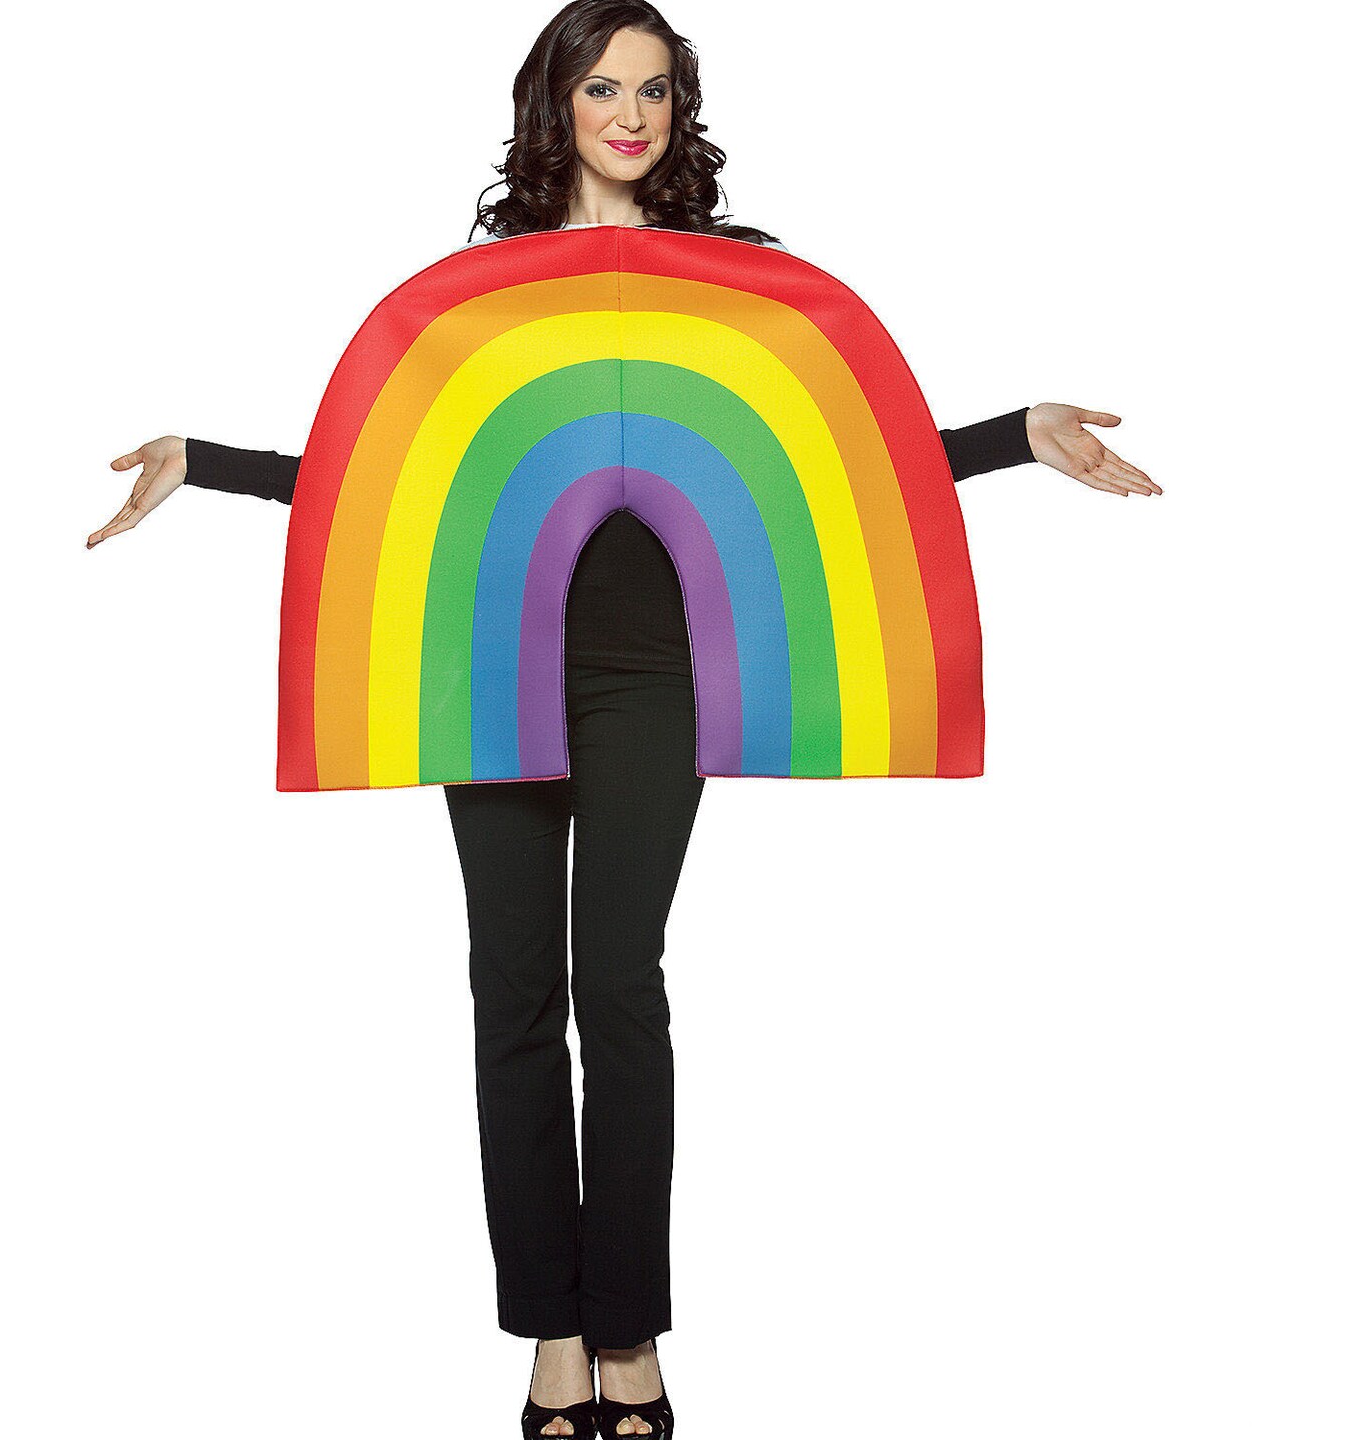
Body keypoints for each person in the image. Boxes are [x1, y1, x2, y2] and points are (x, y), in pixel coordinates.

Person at [87, 4, 1161, 1435]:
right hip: (489, 668)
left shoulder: (733, 283)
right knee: (512, 992)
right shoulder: (491, 293)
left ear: (679, 109)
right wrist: (203, 461)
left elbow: (847, 461)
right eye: (604, 87)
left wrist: (1018, 437)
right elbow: (386, 471)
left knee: (621, 987)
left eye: (656, 90)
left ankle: (630, 1333)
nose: (632, 115)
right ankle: (550, 1331)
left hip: (654, 679)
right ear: (559, 103)